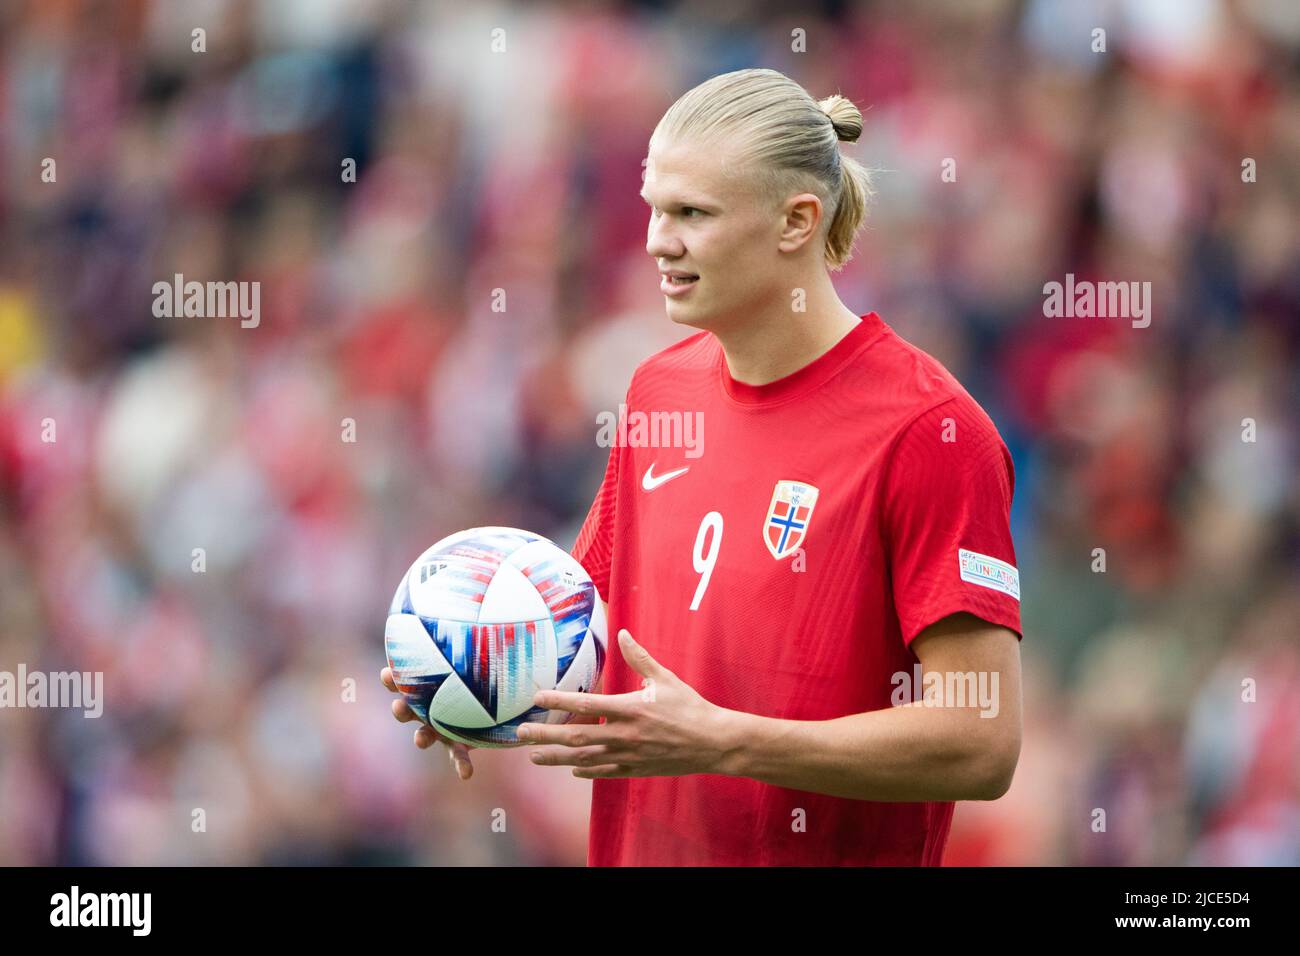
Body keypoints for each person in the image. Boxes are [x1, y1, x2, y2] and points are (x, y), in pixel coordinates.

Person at [381, 67, 1023, 865]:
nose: (656, 239)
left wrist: (727, 743)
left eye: (692, 213)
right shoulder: (658, 392)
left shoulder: (930, 430)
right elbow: (585, 639)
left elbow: (983, 743)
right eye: (655, 208)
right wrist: (475, 674)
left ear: (797, 221)